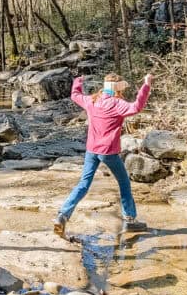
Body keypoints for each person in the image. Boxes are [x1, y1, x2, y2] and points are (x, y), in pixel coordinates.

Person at [54, 71, 153, 236]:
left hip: (92, 150)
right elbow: (137, 107)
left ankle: (63, 215)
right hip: (108, 152)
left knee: (83, 185)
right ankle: (130, 220)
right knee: (124, 183)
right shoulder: (117, 104)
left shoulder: (92, 100)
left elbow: (75, 95)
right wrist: (146, 85)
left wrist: (78, 80)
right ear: (117, 89)